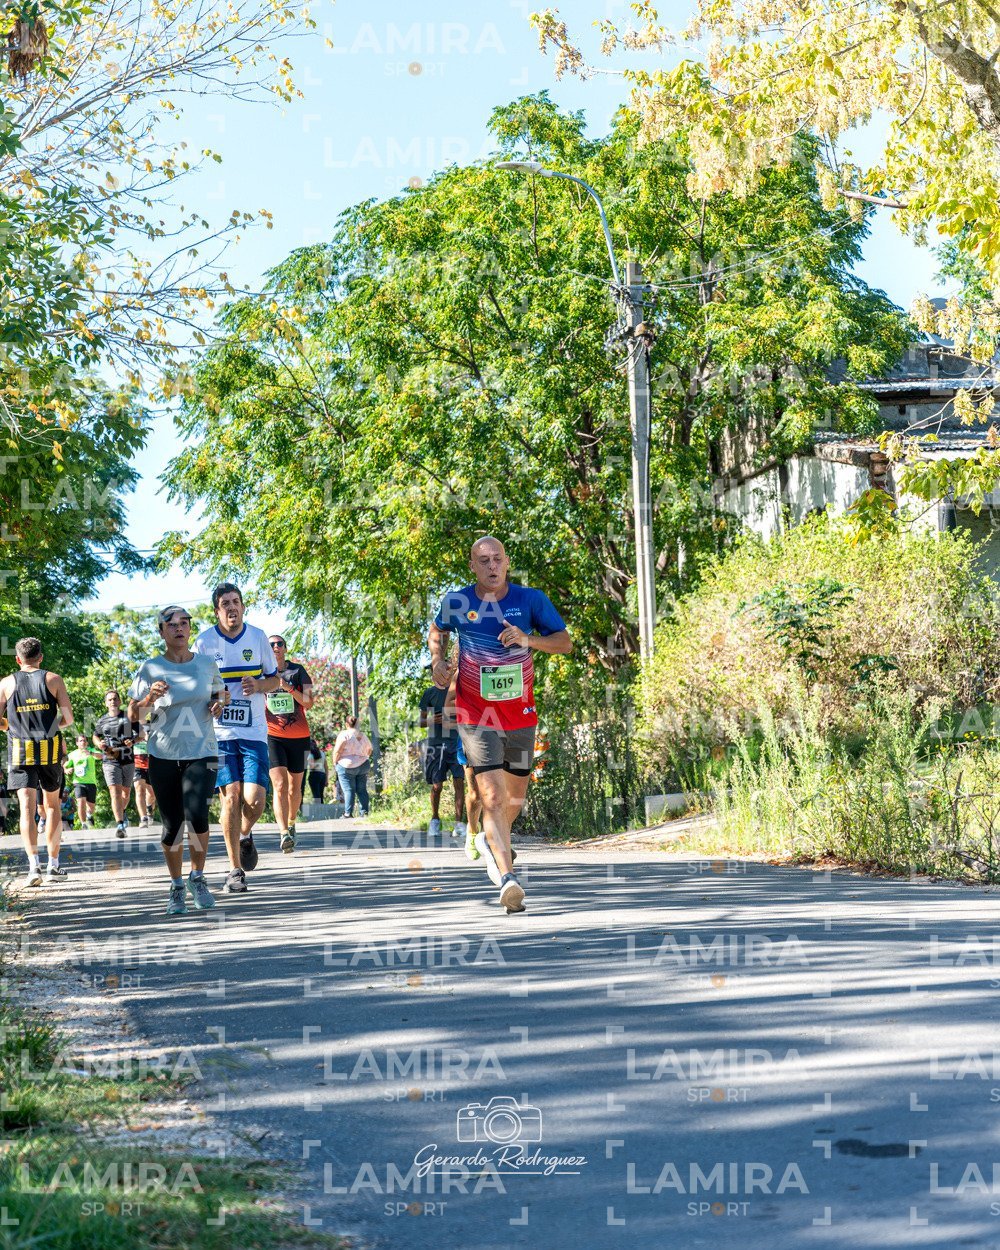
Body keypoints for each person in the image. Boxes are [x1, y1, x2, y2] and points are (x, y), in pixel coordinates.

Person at [429, 536, 571, 914]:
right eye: (483, 560)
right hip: (477, 716)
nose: (492, 566)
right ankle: (508, 878)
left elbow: (564, 642)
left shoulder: (531, 600)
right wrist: (438, 661)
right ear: (472, 566)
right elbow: (437, 630)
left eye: (497, 559)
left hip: (520, 715)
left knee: (514, 800)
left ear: (507, 562)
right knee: (491, 797)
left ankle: (492, 842)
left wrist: (528, 639)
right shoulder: (457, 602)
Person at [127, 606, 229, 916]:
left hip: (202, 750)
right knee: (172, 824)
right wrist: (150, 698)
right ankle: (176, 885)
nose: (179, 628)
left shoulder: (206, 664)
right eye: (172, 625)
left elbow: (222, 694)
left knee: (197, 815)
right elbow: (134, 715)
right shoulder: (150, 668)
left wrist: (218, 704)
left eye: (184, 623)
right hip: (163, 754)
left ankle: (197, 877)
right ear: (161, 632)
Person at [193, 582, 279, 893]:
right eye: (225, 603)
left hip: (254, 732)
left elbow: (275, 680)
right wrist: (213, 699)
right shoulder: (204, 643)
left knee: (254, 801)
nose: (231, 607)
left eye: (236, 602)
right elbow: (195, 689)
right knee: (230, 796)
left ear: (243, 607)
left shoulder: (257, 637)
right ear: (216, 611)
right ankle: (234, 870)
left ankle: (244, 833)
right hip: (219, 734)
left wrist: (259, 685)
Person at [0, 637, 74, 887]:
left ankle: (34, 868)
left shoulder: (6, 683)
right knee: (52, 807)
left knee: (27, 809)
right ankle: (53, 865)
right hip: (49, 750)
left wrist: (10, 726)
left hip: (20, 751)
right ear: (40, 657)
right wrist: (51, 726)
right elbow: (68, 718)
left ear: (17, 659)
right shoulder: (53, 679)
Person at [265, 635, 315, 853]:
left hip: (299, 737)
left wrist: (288, 688)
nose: (275, 647)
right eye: (271, 644)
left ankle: (292, 821)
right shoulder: (261, 672)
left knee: (295, 787)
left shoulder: (298, 671)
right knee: (279, 785)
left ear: (285, 648)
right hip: (272, 736)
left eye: (279, 644)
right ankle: (284, 832)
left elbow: (309, 702)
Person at [418, 674, 465, 840]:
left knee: (459, 783)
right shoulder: (429, 693)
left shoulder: (460, 690)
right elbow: (421, 722)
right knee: (437, 786)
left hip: (457, 743)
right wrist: (431, 720)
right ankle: (435, 819)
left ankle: (458, 824)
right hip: (436, 746)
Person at [93, 689, 139, 839]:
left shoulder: (128, 717)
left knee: (125, 794)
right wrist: (99, 744)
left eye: (115, 699)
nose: (112, 701)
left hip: (128, 760)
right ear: (106, 703)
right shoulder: (102, 720)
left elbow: (141, 735)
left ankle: (122, 812)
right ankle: (120, 825)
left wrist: (133, 741)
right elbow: (95, 736)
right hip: (110, 760)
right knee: (115, 793)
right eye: (110, 699)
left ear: (119, 701)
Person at [331, 715, 372, 818]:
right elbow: (370, 749)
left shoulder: (344, 735)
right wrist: (364, 756)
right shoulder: (363, 735)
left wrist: (335, 763)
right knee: (362, 790)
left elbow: (337, 751)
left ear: (346, 724)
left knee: (349, 790)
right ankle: (364, 813)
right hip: (363, 764)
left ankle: (348, 813)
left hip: (346, 765)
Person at [65, 733, 100, 830]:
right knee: (81, 802)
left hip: (91, 782)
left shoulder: (91, 750)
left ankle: (89, 815)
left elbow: (101, 756)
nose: (83, 742)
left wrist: (91, 753)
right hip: (78, 782)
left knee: (91, 807)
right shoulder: (72, 754)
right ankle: (83, 824)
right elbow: (64, 765)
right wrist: (66, 770)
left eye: (84, 740)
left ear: (87, 742)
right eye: (80, 741)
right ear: (77, 743)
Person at [133, 727, 157, 828]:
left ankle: (149, 808)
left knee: (152, 794)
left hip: (151, 764)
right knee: (140, 790)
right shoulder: (130, 727)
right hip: (136, 764)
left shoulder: (152, 725)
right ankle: (143, 818)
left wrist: (149, 739)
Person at [305, 738, 327, 803]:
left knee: (316, 796)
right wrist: (326, 779)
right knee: (321, 796)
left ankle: (317, 809)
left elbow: (311, 766)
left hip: (314, 775)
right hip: (323, 775)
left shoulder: (310, 754)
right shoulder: (322, 753)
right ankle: (321, 809)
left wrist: (317, 765)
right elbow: (326, 767)